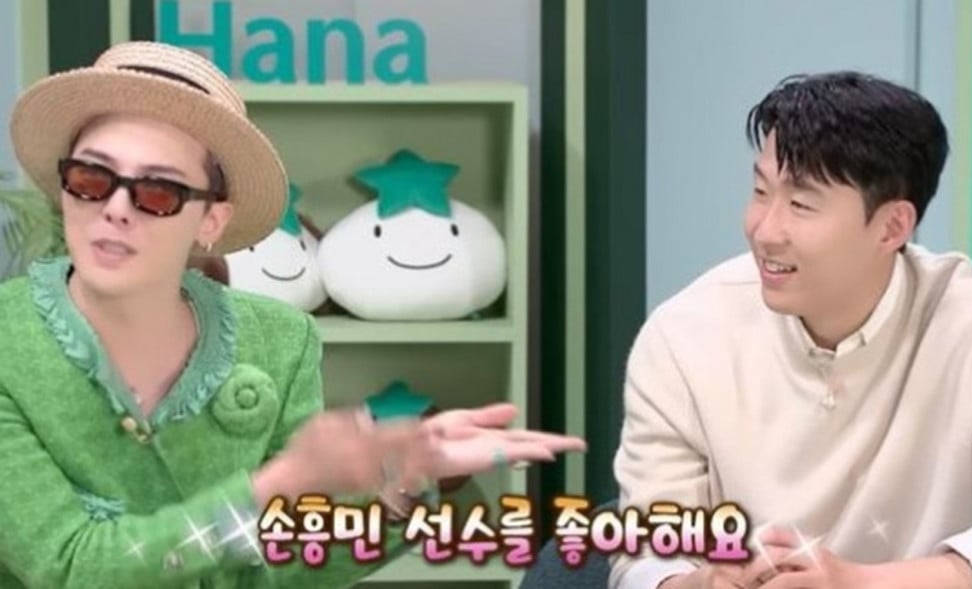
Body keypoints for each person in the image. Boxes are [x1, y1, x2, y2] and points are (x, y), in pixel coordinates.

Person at [0, 41, 586, 589]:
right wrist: (277, 484)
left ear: (211, 221)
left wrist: (402, 488)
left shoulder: (280, 339)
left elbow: (288, 563)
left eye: (158, 191)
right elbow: (70, 567)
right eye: (92, 178)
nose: (116, 209)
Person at [611, 71, 972, 589]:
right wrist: (697, 582)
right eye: (760, 191)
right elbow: (644, 557)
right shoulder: (682, 338)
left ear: (892, 227)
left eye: (801, 204)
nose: (764, 230)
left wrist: (859, 583)